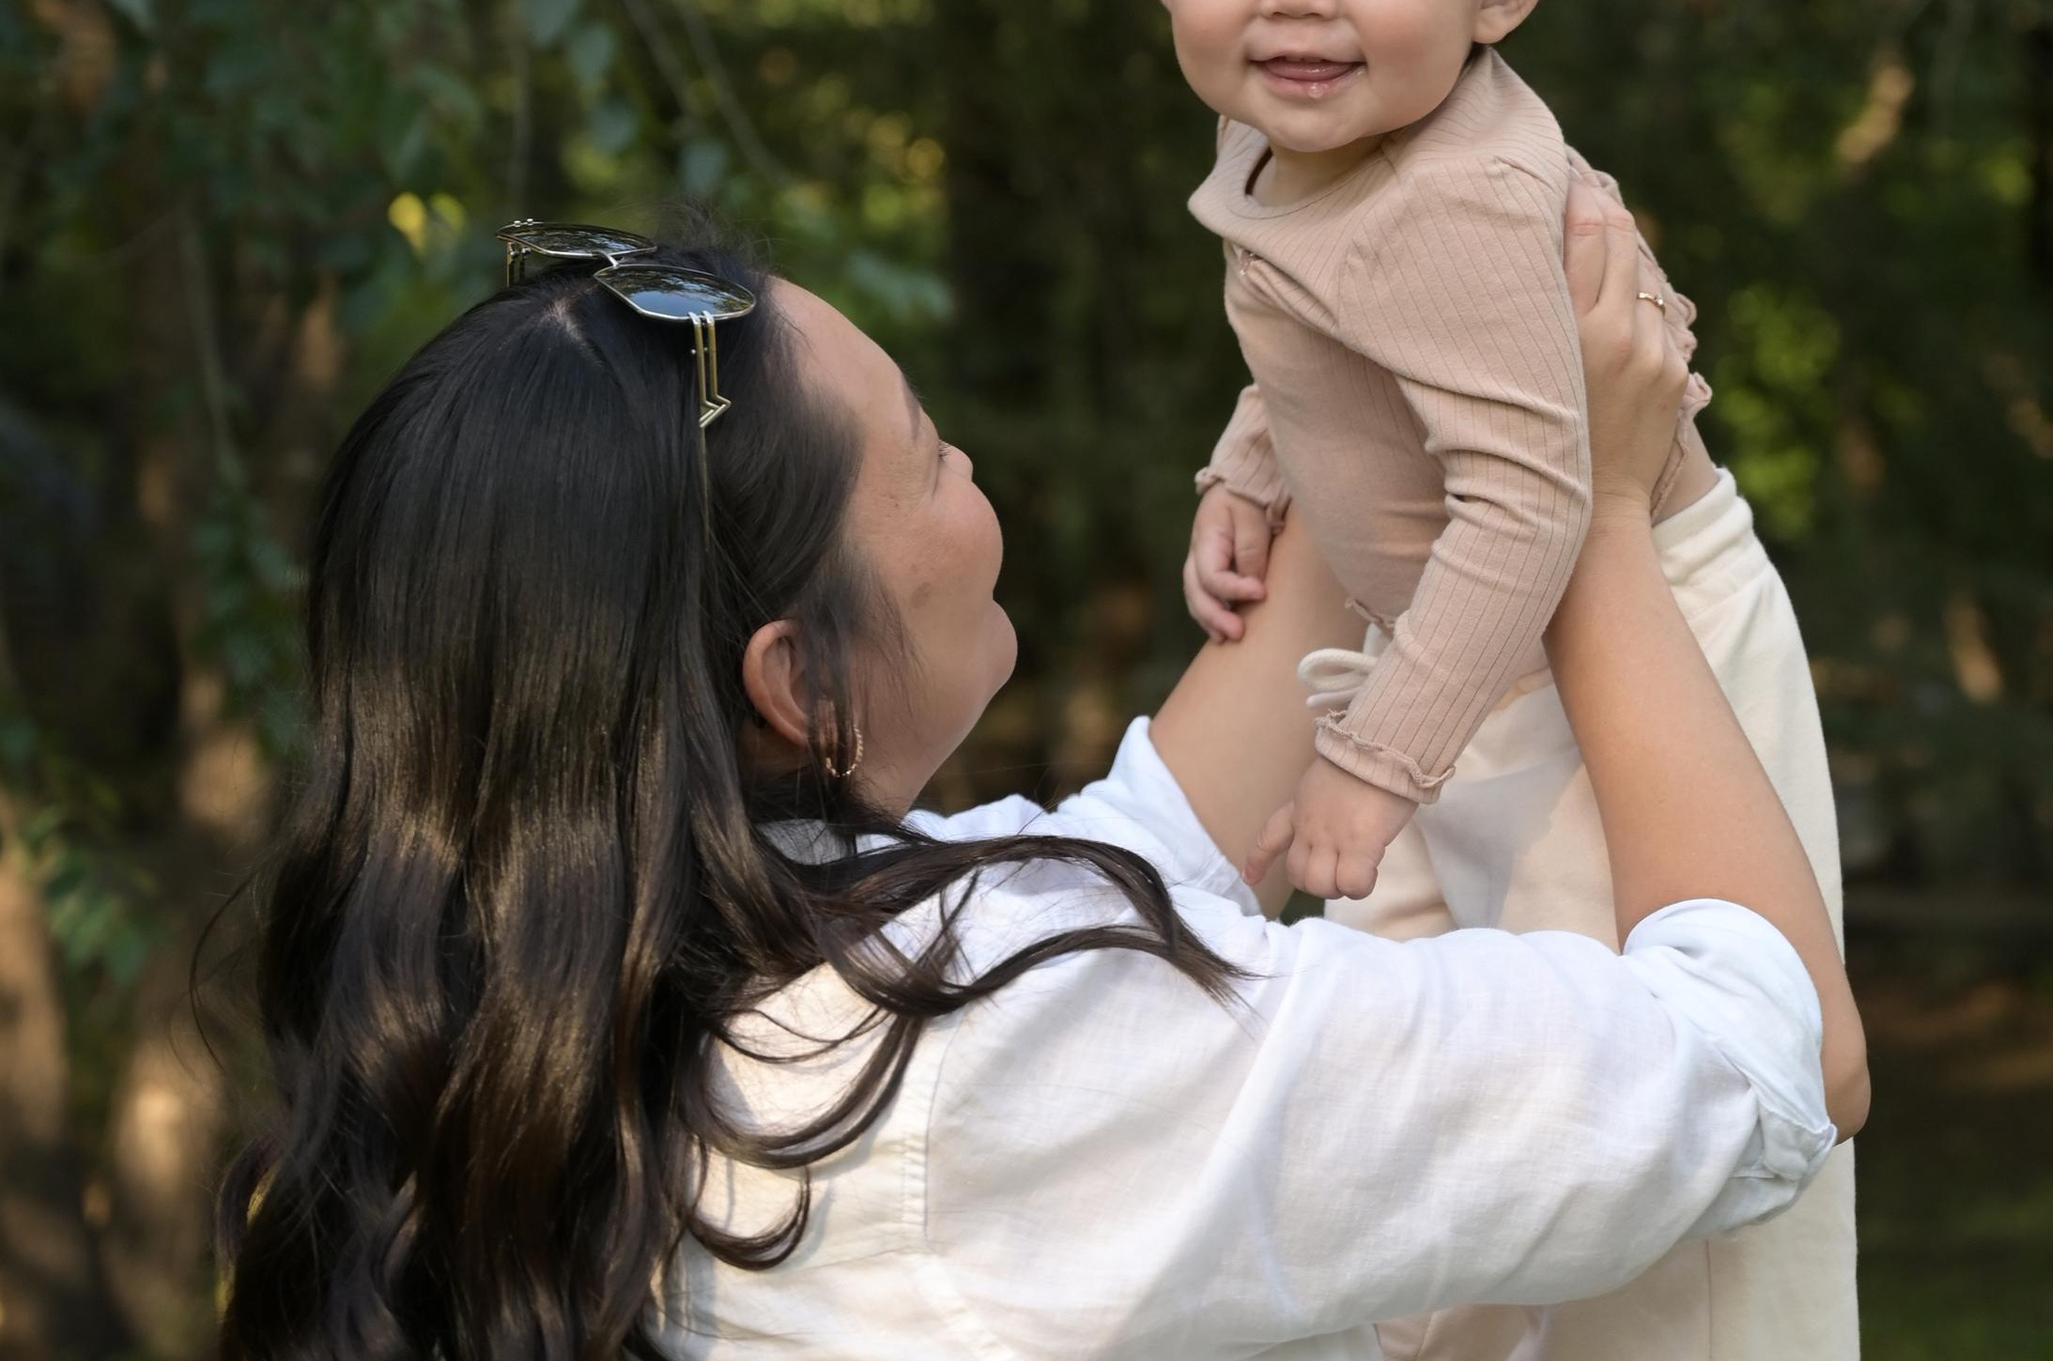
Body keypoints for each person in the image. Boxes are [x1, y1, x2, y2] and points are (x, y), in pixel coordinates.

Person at [214, 187, 1863, 1361]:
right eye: (929, 455)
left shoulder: (574, 1037)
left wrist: (1357, 418)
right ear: (798, 684)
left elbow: (1133, 854)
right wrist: (1604, 517)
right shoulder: (979, 1059)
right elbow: (1769, 1055)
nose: (972, 472)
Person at [1137, 0, 1858, 1360]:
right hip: (1458, 633)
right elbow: (1320, 343)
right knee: (1402, 1126)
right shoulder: (1303, 145)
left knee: (1655, 1151)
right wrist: (1252, 470)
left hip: (1624, 660)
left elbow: (1543, 488)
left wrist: (1375, 764)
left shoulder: (1459, 198)